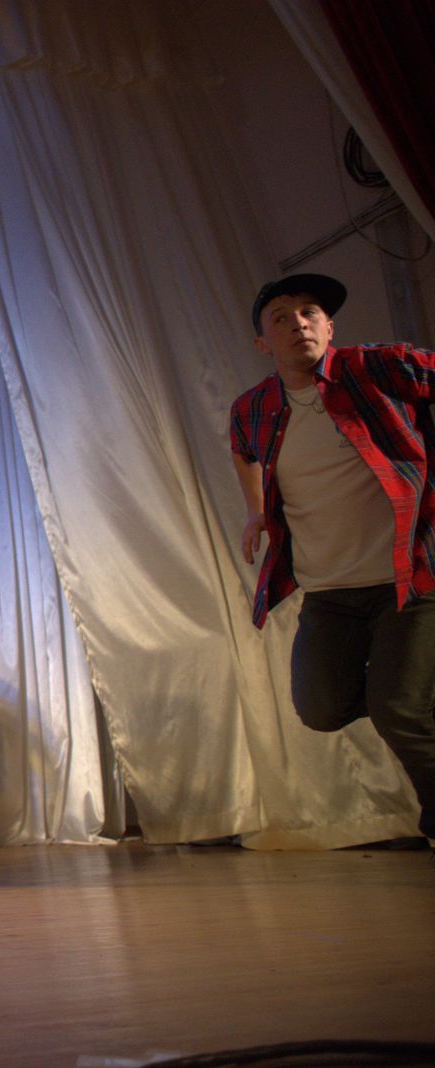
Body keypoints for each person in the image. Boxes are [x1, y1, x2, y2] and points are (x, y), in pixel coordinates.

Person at [230, 273, 435, 845]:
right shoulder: (255, 407)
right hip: (330, 593)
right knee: (319, 708)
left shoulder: (378, 369)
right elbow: (243, 450)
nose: (299, 323)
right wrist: (255, 511)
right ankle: (416, 698)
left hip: (408, 582)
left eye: (310, 313)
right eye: (281, 318)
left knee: (398, 711)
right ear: (263, 343)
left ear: (329, 327)